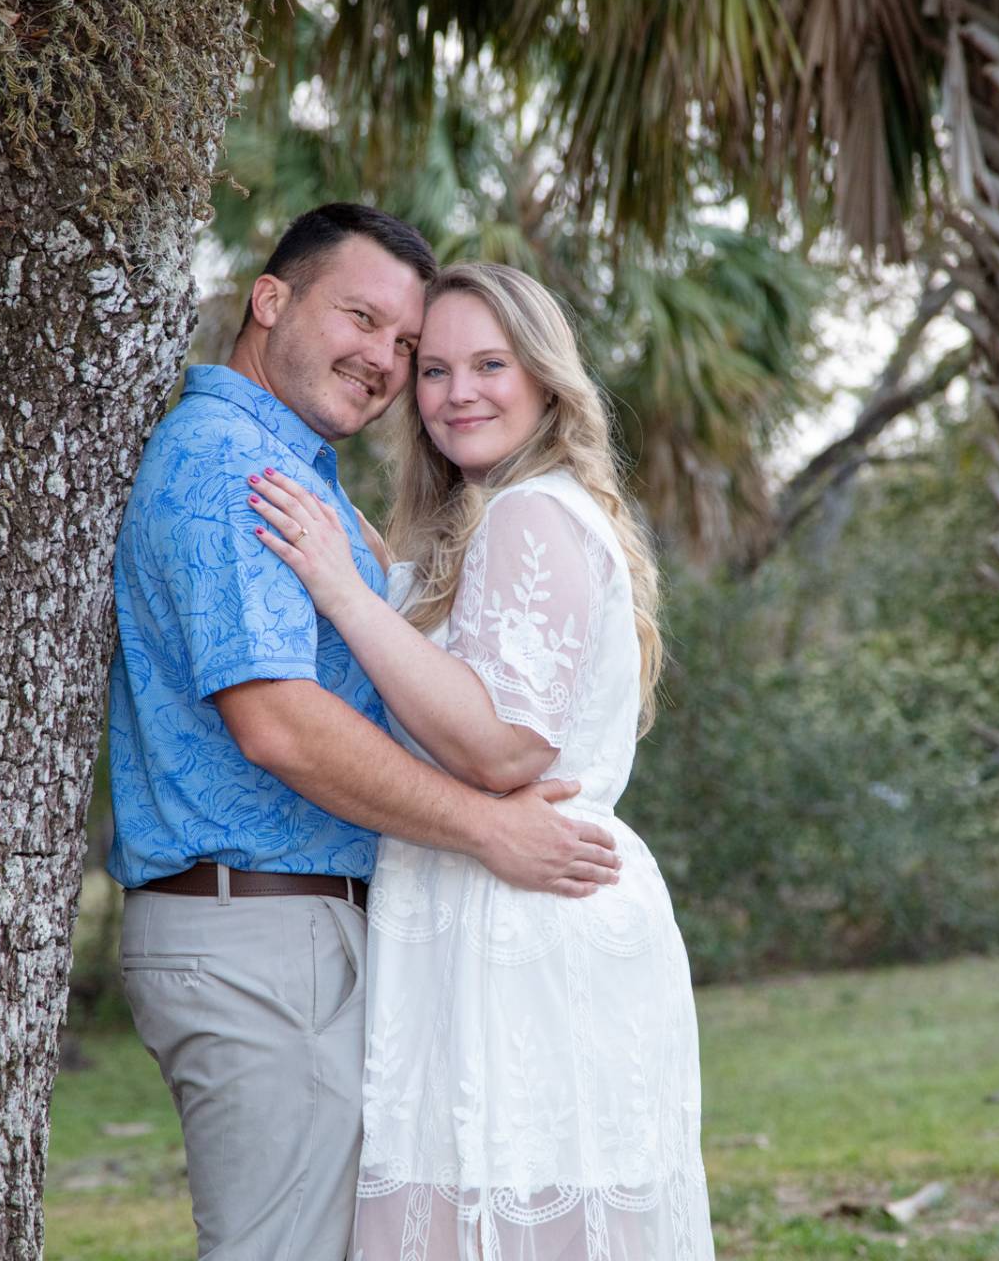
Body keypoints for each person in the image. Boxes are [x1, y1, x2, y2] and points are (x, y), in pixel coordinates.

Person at [107, 205, 624, 1261]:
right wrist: (487, 827)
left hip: (300, 927)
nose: (384, 360)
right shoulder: (229, 465)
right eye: (361, 317)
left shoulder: (299, 472)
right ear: (270, 299)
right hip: (258, 929)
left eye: (405, 345)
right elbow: (280, 725)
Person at [246, 262, 714, 1260]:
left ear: (546, 379)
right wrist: (367, 562)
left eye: (491, 365)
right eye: (436, 368)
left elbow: (505, 745)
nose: (459, 393)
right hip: (507, 902)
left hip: (525, 917)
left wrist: (344, 591)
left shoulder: (529, 515)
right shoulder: (495, 515)